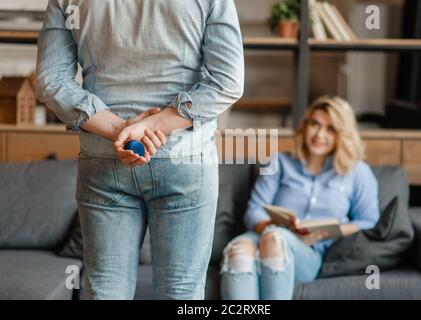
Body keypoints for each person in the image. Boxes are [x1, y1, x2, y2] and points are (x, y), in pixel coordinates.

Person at [36, 0, 244, 299]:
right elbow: (228, 81)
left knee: (106, 289)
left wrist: (120, 131)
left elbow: (51, 80)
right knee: (181, 293)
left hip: (104, 157)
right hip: (183, 157)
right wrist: (155, 125)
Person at [220, 96, 380, 300]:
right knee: (239, 252)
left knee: (275, 240)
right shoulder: (279, 162)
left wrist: (325, 233)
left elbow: (368, 221)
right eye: (315, 124)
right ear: (305, 126)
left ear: (342, 135)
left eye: (330, 129)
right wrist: (273, 225)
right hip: (266, 235)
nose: (320, 134)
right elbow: (254, 210)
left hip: (308, 251)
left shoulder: (357, 171)